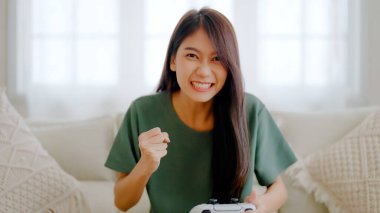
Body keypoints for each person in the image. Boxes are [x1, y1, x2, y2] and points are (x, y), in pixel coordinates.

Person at [105, 7, 297, 213]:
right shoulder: (142, 111)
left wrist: (261, 206)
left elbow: (280, 190)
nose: (204, 71)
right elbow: (122, 202)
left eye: (217, 59)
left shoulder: (250, 110)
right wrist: (146, 165)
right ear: (173, 60)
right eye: (192, 56)